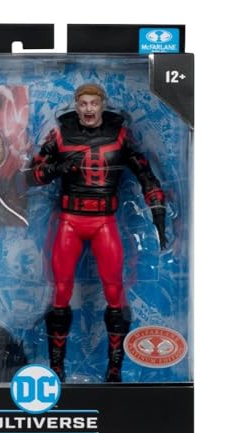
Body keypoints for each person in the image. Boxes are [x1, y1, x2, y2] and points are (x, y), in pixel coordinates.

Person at [27, 83, 167, 382]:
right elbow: (32, 176)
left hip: (104, 221)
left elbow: (145, 174)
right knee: (61, 292)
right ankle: (56, 368)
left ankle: (114, 369)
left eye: (93, 103)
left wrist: (158, 212)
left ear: (102, 104)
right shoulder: (60, 135)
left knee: (114, 292)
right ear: (76, 106)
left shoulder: (120, 136)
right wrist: (57, 169)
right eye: (83, 103)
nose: (88, 109)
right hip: (69, 221)